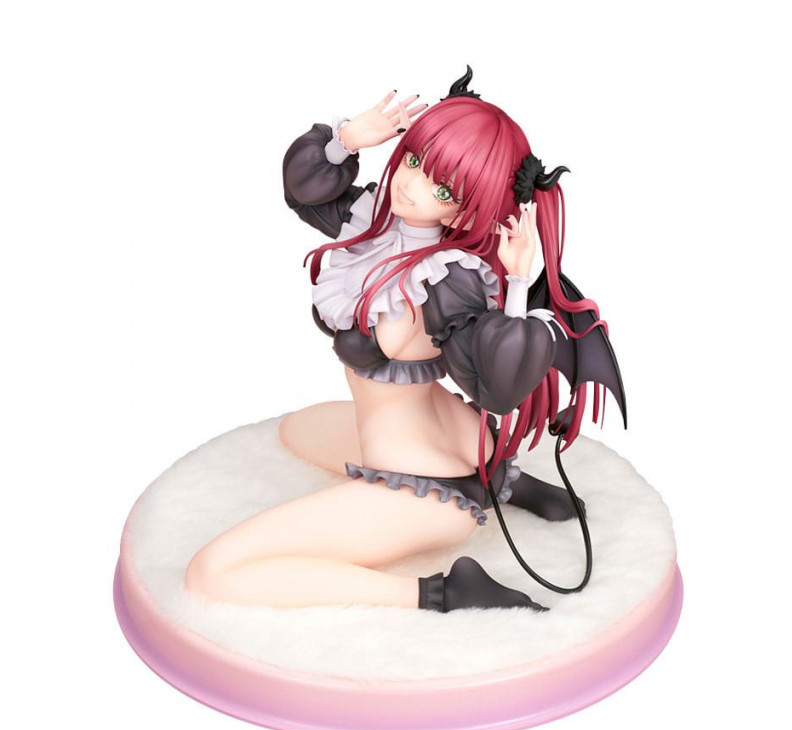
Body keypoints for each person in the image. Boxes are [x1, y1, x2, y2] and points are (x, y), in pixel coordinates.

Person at [185, 71, 609, 613]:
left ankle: (448, 592)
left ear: (466, 209)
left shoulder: (449, 277)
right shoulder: (374, 227)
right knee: (296, 429)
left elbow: (497, 387)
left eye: (442, 187)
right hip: (439, 441)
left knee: (211, 574)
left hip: (422, 488)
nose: (410, 184)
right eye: (414, 159)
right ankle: (504, 478)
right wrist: (345, 140)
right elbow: (305, 194)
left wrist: (521, 284)